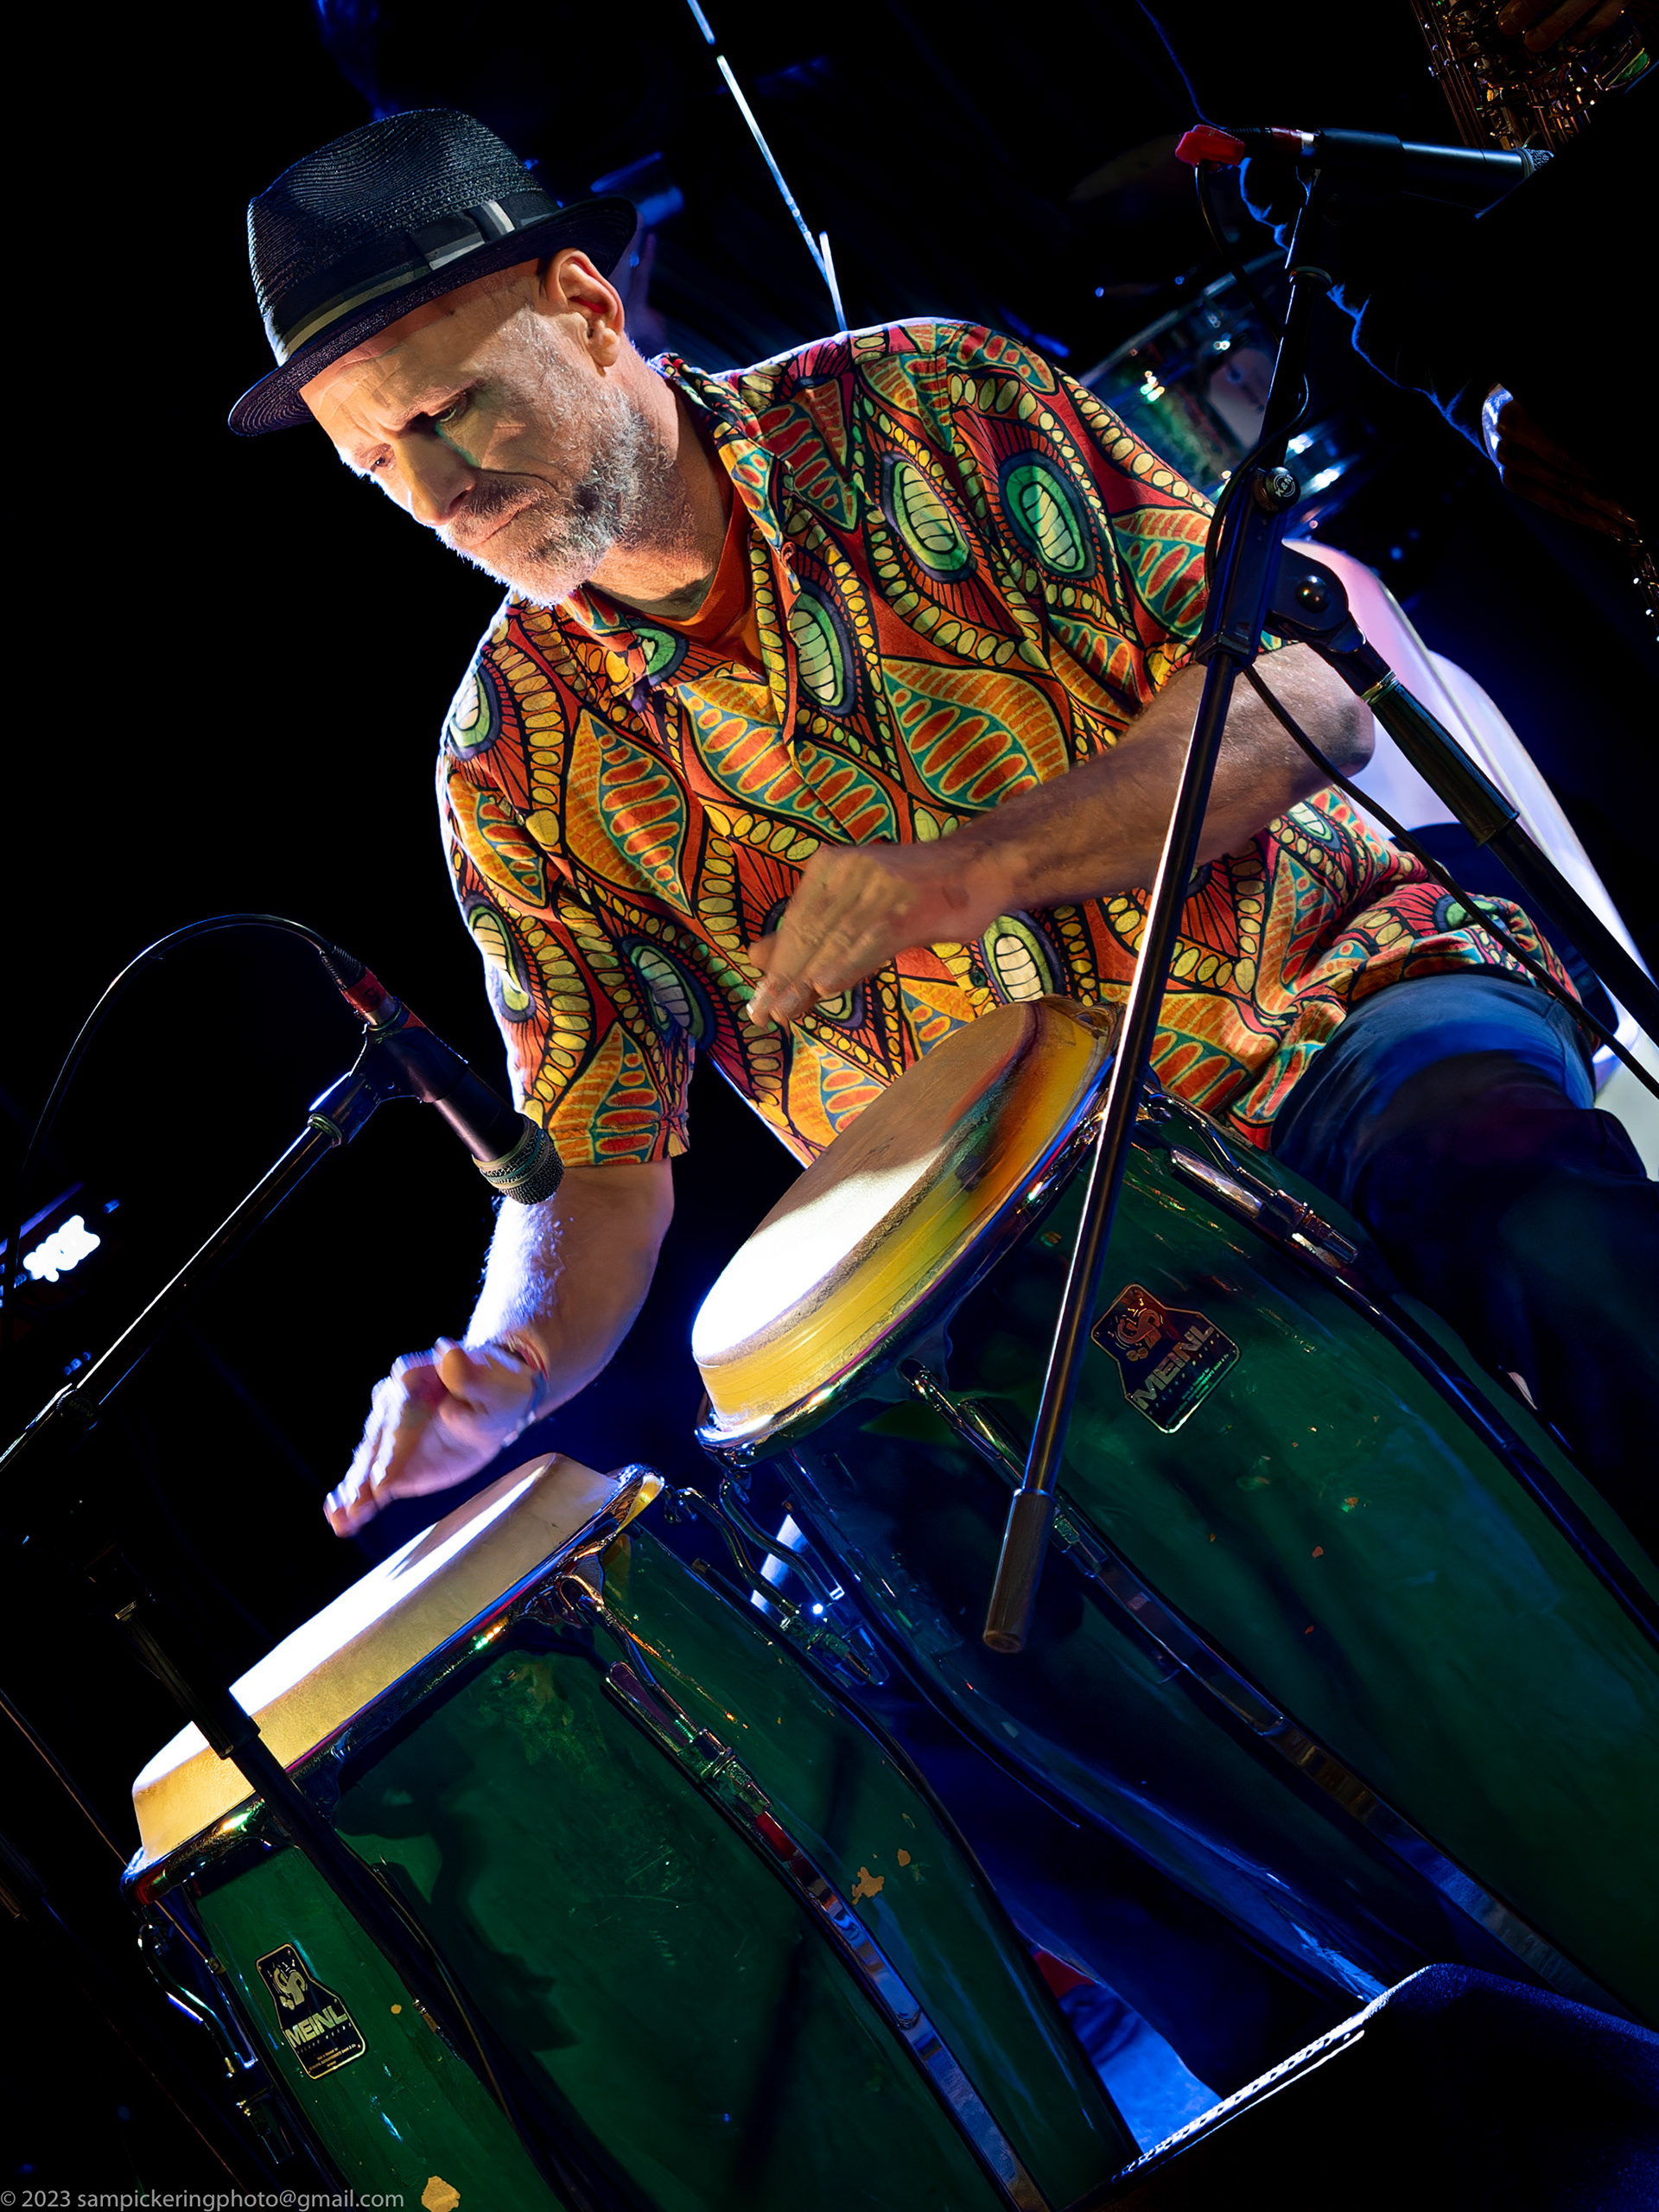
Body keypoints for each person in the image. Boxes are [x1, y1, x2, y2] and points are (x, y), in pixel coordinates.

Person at [229, 111, 1654, 1543]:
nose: (437, 496)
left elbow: (1306, 700)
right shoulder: (508, 762)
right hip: (1035, 1257)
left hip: (1327, 1026)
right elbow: (593, 1155)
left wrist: (977, 869)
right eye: (379, 466)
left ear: (589, 309)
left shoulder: (926, 402)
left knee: (1542, 1231)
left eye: (449, 411)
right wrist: (512, 1362)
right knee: (927, 1590)